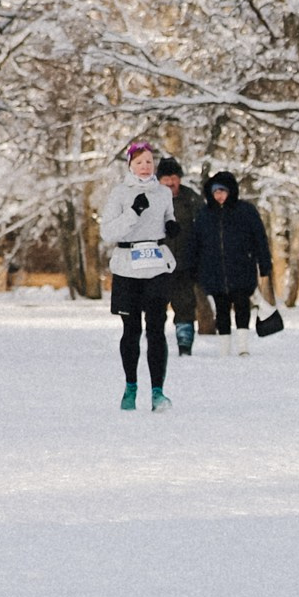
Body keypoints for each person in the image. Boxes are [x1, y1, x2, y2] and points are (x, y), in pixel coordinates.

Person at [100, 140, 178, 411]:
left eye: (149, 162)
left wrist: (171, 225)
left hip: (156, 266)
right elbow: (108, 233)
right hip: (127, 268)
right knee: (131, 330)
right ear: (130, 165)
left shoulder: (163, 193)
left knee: (156, 330)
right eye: (139, 162)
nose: (145, 167)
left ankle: (158, 392)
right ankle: (130, 386)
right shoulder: (120, 194)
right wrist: (134, 213)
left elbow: (168, 215)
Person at [196, 170, 275, 357]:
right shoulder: (205, 215)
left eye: (222, 191)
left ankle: (242, 346)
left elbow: (259, 239)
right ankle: (224, 347)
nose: (219, 196)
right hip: (215, 272)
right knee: (221, 310)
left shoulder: (246, 212)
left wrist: (264, 265)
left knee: (242, 307)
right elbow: (196, 243)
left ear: (231, 191)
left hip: (242, 269)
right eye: (215, 192)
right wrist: (196, 268)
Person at [157, 157, 203, 358]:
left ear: (180, 179)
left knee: (185, 305)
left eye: (173, 178)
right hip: (157, 263)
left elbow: (204, 230)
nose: (170, 182)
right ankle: (155, 341)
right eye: (165, 179)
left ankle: (185, 343)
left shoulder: (192, 200)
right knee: (155, 305)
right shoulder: (150, 200)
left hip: (185, 262)